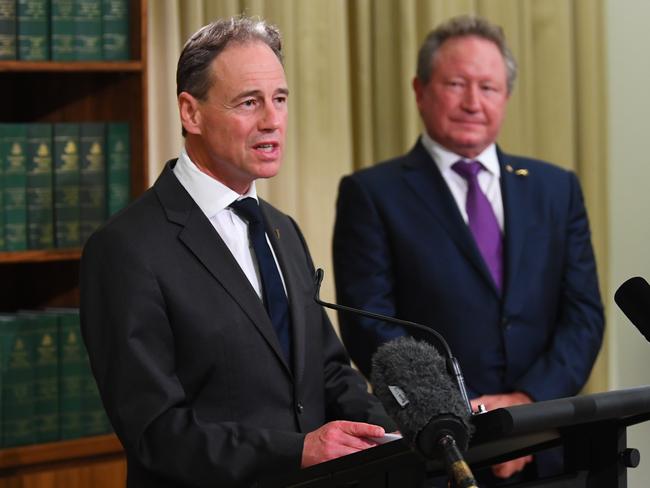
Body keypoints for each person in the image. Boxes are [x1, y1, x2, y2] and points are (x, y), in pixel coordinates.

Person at [80, 16, 396, 488]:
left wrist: (393, 434)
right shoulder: (125, 248)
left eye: (280, 100)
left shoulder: (281, 229)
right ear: (191, 113)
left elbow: (326, 370)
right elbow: (156, 431)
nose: (272, 120)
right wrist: (298, 451)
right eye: (249, 102)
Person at [333, 15, 604, 484]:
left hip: (552, 452)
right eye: (456, 84)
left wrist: (527, 406)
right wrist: (468, 415)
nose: (473, 102)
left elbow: (583, 314)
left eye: (489, 87)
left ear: (507, 97)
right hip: (437, 455)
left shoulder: (556, 189)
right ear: (419, 89)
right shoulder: (372, 194)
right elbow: (370, 324)